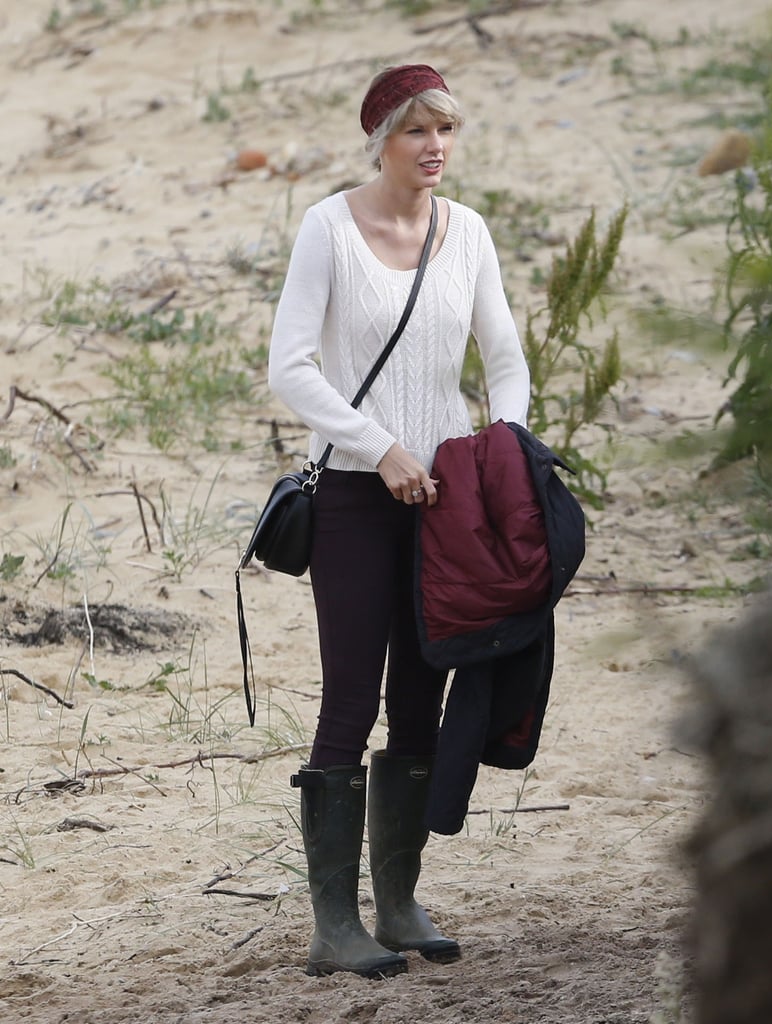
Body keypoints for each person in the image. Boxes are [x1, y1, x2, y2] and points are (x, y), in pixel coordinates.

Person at [268, 63, 531, 979]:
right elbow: (291, 367)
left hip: (448, 501)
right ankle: (333, 924)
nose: (435, 149)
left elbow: (504, 356)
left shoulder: (469, 234)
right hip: (351, 493)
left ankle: (399, 900)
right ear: (380, 137)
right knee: (351, 695)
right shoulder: (327, 228)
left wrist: (506, 444)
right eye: (417, 132)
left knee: (424, 688)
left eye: (446, 131)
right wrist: (378, 445)